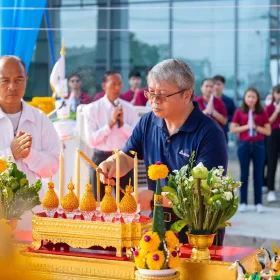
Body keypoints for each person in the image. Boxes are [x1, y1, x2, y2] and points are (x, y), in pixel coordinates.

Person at [98, 59, 228, 245]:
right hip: (157, 225)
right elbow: (127, 157)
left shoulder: (210, 134)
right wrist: (111, 163)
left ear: (186, 94)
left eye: (161, 95)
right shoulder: (149, 121)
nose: (153, 101)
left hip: (198, 233)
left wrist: (153, 199)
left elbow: (203, 195)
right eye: (151, 93)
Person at [0, 55, 60, 184]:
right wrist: (10, 154)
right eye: (5, 80)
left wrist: (30, 155)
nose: (12, 86)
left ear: (26, 80)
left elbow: (53, 167)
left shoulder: (40, 119)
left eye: (18, 79)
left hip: (32, 202)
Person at [85, 71, 139, 199]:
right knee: (99, 203)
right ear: (104, 85)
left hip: (123, 159)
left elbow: (137, 137)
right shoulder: (93, 109)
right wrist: (110, 124)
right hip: (101, 158)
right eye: (113, 84)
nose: (117, 88)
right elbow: (91, 140)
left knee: (126, 202)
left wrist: (122, 124)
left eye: (120, 84)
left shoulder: (129, 108)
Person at [230, 88, 271, 213]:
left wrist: (256, 127)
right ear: (245, 98)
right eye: (249, 96)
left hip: (258, 145)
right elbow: (233, 129)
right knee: (244, 174)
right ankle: (243, 202)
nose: (251, 99)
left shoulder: (262, 112)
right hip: (244, 145)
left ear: (257, 98)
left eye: (253, 97)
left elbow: (268, 131)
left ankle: (258, 203)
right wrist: (247, 126)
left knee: (258, 174)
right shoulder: (239, 111)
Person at [265, 85, 280, 202]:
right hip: (273, 136)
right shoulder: (269, 107)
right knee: (272, 163)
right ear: (274, 94)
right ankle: (271, 190)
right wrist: (277, 111)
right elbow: (267, 122)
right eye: (278, 93)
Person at [213, 75, 236, 143]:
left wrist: (223, 118)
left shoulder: (229, 101)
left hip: (223, 132)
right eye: (214, 84)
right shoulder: (205, 101)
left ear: (224, 85)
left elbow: (234, 117)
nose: (216, 86)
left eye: (218, 84)